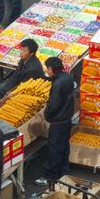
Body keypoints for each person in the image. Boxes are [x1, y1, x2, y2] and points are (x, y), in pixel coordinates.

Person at [37, 57, 73, 186]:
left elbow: (54, 105)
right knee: (63, 147)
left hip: (58, 121)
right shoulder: (67, 77)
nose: (47, 70)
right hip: (67, 118)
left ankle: (50, 176)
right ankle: (63, 172)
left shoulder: (57, 84)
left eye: (47, 68)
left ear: (52, 69)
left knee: (54, 148)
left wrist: (47, 114)